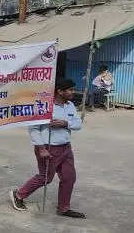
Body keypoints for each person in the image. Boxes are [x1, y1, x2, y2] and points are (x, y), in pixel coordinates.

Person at [10, 78, 85, 219]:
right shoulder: (44, 106)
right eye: (70, 90)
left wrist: (65, 123)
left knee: (69, 178)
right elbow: (33, 129)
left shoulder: (70, 106)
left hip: (66, 148)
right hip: (48, 148)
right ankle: (18, 194)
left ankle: (64, 208)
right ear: (60, 91)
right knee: (46, 178)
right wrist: (41, 148)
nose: (73, 92)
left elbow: (78, 124)